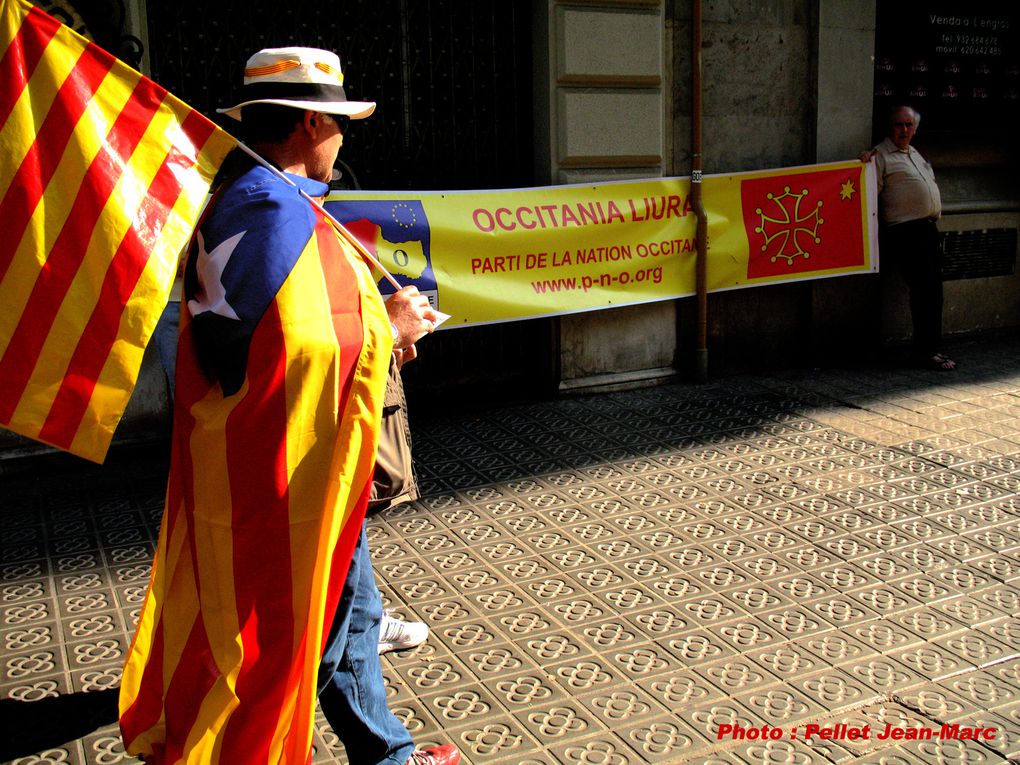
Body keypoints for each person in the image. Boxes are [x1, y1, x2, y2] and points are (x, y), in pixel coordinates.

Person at [119, 46, 458, 765]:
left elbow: (273, 332)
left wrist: (373, 317)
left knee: (350, 613)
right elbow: (305, 349)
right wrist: (391, 330)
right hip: (296, 472)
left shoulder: (246, 197)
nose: (344, 139)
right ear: (309, 122)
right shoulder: (282, 216)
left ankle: (386, 751)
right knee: (311, 633)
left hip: (262, 467)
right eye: (338, 123)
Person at [861, 105, 956, 370]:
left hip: (927, 230)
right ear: (890, 127)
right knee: (924, 291)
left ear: (914, 129)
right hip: (906, 233)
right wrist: (863, 164)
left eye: (908, 125)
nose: (904, 130)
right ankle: (926, 353)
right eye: (898, 125)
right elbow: (866, 192)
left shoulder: (914, 153)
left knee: (934, 292)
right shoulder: (880, 156)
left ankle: (931, 348)